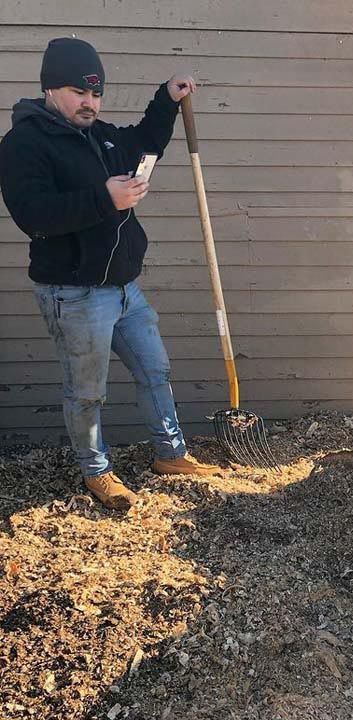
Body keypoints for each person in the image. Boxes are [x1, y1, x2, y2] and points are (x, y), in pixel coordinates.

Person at [0, 37, 224, 510]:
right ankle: (96, 472)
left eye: (96, 94)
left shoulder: (98, 135)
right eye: (79, 92)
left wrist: (166, 99)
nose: (89, 102)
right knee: (87, 392)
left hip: (125, 289)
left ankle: (172, 453)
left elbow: (145, 141)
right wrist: (106, 198)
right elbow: (33, 214)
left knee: (155, 369)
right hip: (75, 293)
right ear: (50, 89)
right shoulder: (24, 143)